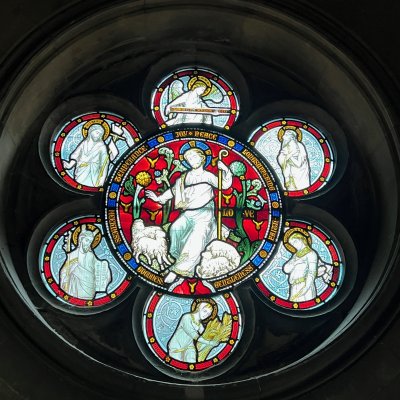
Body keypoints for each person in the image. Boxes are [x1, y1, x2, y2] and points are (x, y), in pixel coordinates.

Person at [146, 147, 232, 283]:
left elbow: (224, 185)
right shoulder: (184, 177)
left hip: (204, 213)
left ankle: (178, 270)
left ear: (202, 158)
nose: (191, 160)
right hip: (188, 213)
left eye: (194, 157)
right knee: (175, 229)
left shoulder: (208, 176)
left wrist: (226, 170)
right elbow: (173, 191)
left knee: (196, 239)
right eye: (188, 159)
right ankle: (177, 258)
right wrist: (159, 198)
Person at [59, 224, 111, 300]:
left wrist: (105, 269)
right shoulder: (73, 254)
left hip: (90, 284)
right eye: (87, 240)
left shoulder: (91, 255)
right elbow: (65, 271)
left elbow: (98, 266)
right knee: (78, 300)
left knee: (89, 300)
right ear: (80, 240)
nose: (88, 243)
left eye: (90, 241)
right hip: (76, 285)